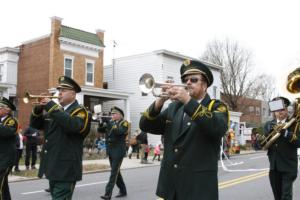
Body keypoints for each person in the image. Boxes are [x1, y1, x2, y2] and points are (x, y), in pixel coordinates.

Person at [139, 59, 229, 200]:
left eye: (193, 79)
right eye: (185, 79)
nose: (187, 83)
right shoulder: (175, 107)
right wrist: (160, 101)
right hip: (171, 187)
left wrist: (188, 101)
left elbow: (217, 128)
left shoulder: (216, 106)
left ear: (204, 85)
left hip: (198, 189)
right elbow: (145, 125)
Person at [30, 76, 91, 200]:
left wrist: (51, 106)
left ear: (73, 94)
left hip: (66, 169)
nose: (60, 93)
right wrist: (38, 110)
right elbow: (35, 126)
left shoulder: (80, 112)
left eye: (63, 90)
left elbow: (73, 126)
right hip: (53, 166)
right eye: (59, 90)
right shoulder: (57, 112)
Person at [264, 96, 300, 200]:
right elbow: (261, 145)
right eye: (277, 110)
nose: (279, 112)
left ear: (286, 109)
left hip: (289, 167)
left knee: (286, 196)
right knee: (277, 197)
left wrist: (286, 133)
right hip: (274, 167)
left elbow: (299, 143)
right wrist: (259, 140)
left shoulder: (295, 124)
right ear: (274, 111)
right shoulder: (268, 125)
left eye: (282, 109)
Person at [99, 106, 128, 200]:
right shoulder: (111, 122)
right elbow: (100, 131)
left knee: (113, 172)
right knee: (116, 172)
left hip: (119, 151)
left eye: (114, 114)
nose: (112, 115)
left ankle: (108, 194)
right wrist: (100, 122)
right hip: (111, 151)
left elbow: (119, 132)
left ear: (120, 115)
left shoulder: (124, 123)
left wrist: (109, 123)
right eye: (111, 114)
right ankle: (123, 190)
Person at [0, 97, 18, 200]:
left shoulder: (12, 121)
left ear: (7, 110)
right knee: (3, 187)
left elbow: (7, 132)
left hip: (5, 159)